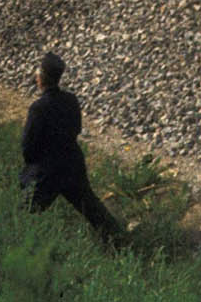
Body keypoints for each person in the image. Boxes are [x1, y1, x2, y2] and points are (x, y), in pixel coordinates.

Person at [20, 53, 123, 243]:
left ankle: (28, 249)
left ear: (41, 78)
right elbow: (76, 129)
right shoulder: (71, 100)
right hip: (72, 164)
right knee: (92, 209)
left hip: (47, 172)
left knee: (24, 213)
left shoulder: (38, 108)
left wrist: (35, 166)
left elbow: (28, 147)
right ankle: (120, 240)